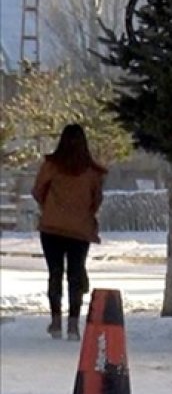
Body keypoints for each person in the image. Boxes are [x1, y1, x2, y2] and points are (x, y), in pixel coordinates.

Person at [32, 124, 106, 340]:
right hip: (79, 230)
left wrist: (50, 207)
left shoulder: (51, 166)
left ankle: (56, 322)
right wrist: (83, 213)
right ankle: (73, 325)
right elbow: (97, 199)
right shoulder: (92, 172)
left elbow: (38, 191)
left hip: (52, 227)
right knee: (76, 273)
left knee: (55, 273)